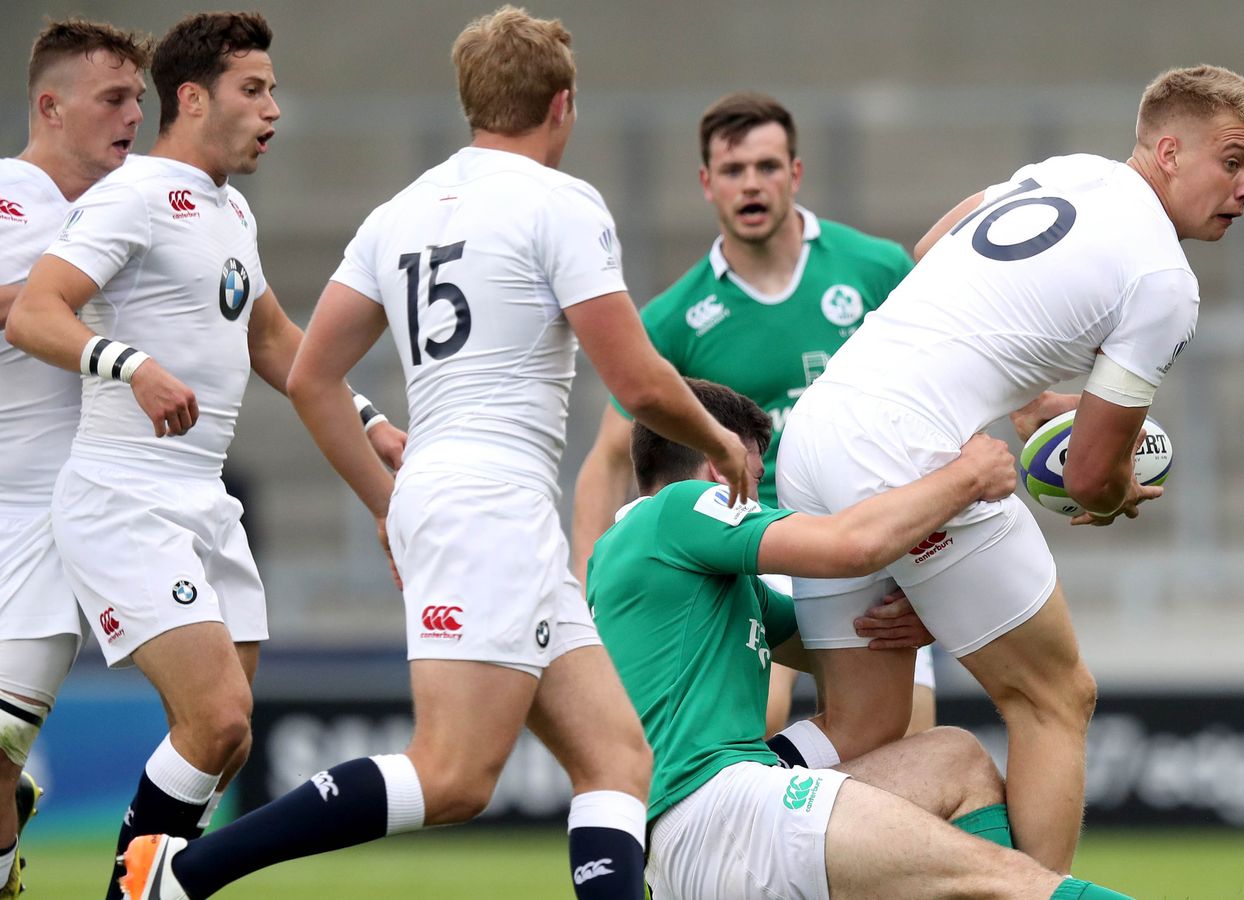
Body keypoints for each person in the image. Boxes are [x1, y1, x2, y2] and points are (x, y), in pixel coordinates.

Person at [116, 9, 751, 900]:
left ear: (470, 104)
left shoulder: (402, 209)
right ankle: (185, 872)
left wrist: (386, 502)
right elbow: (637, 383)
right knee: (452, 775)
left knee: (616, 757)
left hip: (470, 501)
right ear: (562, 107)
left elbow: (310, 377)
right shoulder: (559, 203)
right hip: (489, 503)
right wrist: (720, 438)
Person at [772, 64, 1244, 871]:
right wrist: (1121, 489)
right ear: (1172, 151)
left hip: (817, 432)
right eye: (1233, 160)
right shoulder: (1164, 281)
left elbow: (932, 247)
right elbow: (1085, 479)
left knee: (859, 729)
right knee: (1054, 698)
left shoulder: (1070, 172)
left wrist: (1022, 400)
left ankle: (705, 810)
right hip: (905, 452)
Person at [593, 379, 1244, 900]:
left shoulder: (679, 572)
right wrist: (967, 477)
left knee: (953, 758)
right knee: (1002, 880)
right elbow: (849, 548)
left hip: (719, 818)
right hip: (716, 813)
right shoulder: (679, 511)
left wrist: (939, 598)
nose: (752, 497)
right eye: (748, 477)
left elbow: (847, 638)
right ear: (710, 457)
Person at [3, 13, 405, 900]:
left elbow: (274, 339)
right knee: (212, 715)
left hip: (201, 498)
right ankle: (144, 892)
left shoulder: (228, 206)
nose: (273, 110)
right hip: (123, 493)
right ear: (194, 98)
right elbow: (35, 312)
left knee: (228, 738)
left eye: (272, 90)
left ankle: (141, 884)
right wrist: (132, 366)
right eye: (253, 90)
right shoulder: (134, 193)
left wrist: (369, 415)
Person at [569, 91, 936, 741]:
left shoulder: (876, 269)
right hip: (754, 533)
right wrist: (584, 597)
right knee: (752, 718)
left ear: (795, 173)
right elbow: (604, 461)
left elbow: (939, 395)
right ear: (707, 185)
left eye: (767, 166)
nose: (752, 184)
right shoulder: (675, 317)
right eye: (733, 171)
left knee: (910, 735)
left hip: (870, 521)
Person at [0, 21, 151, 898]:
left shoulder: (129, 213)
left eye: (140, 99)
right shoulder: (10, 200)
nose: (134, 116)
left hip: (52, 526)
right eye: (114, 99)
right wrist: (68, 285)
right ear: (51, 107)